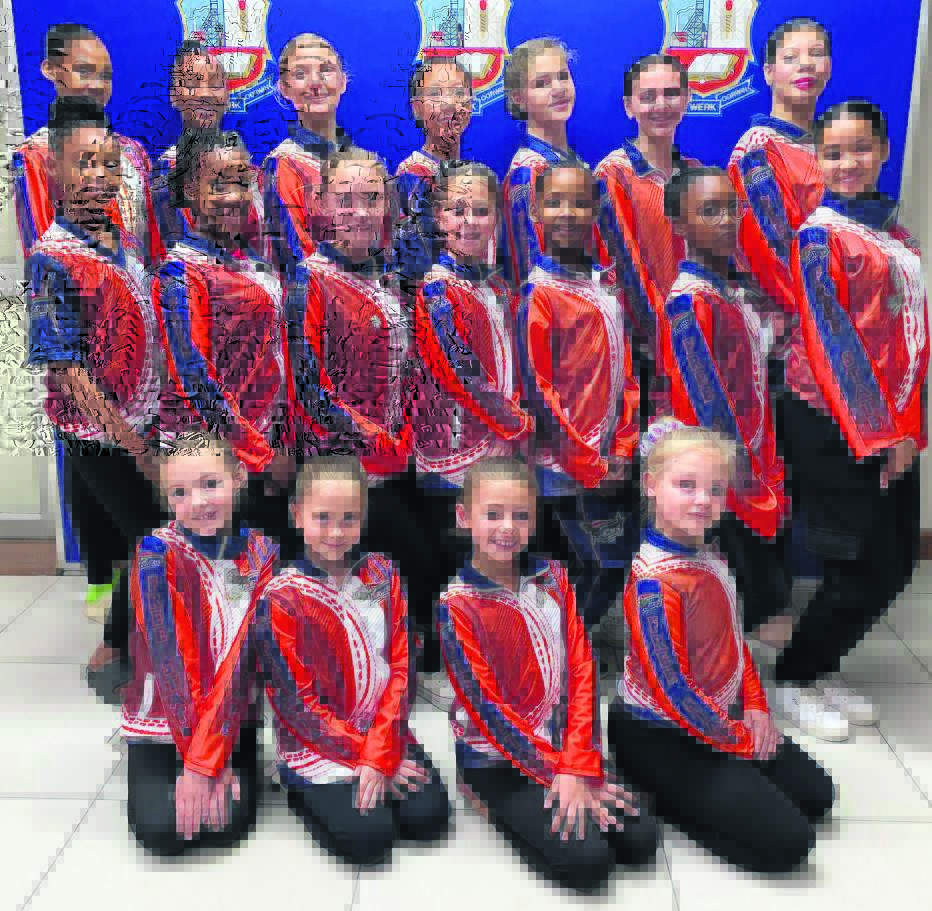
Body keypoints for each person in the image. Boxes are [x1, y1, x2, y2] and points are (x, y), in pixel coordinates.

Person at [609, 420, 836, 874]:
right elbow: (673, 690)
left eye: (714, 489)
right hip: (658, 732)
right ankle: (658, 789)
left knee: (817, 796)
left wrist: (756, 708)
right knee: (789, 844)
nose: (702, 500)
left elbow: (734, 642)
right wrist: (740, 740)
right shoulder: (655, 583)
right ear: (651, 485)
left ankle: (710, 784)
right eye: (686, 485)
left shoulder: (709, 554)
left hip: (713, 715)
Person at [774, 100, 928, 735]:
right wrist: (882, 434)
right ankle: (793, 678)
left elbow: (910, 336)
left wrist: (909, 427)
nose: (847, 163)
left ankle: (821, 664)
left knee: (896, 561)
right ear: (818, 159)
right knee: (858, 565)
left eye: (860, 148)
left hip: (893, 422)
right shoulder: (819, 236)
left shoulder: (894, 232)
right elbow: (832, 341)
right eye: (833, 152)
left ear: (883, 151)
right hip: (832, 421)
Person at [437, 457, 659, 893]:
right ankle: (483, 797)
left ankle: (561, 786)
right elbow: (490, 712)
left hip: (562, 742)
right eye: (493, 514)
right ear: (465, 517)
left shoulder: (552, 577)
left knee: (641, 840)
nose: (507, 527)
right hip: (499, 757)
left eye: (520, 515)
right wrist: (564, 771)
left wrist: (579, 762)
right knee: (590, 865)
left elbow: (581, 669)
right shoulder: (457, 605)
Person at [24, 96, 164, 699]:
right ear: (55, 169)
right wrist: (135, 445)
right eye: (84, 163)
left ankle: (127, 639)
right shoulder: (52, 258)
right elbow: (68, 372)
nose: (99, 175)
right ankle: (122, 649)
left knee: (135, 542)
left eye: (109, 164)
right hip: (99, 436)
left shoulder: (122, 239)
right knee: (150, 535)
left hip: (144, 419)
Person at [254, 457, 451, 866]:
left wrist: (382, 749)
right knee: (370, 839)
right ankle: (296, 785)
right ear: (297, 515)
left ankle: (374, 769)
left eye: (348, 518)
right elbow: (296, 704)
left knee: (428, 819)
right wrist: (368, 756)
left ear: (364, 517)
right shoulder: (282, 596)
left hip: (382, 729)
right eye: (322, 518)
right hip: (317, 740)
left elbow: (401, 668)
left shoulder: (382, 573)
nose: (335, 532)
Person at [283, 147, 434, 653]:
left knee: (413, 573)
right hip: (340, 468)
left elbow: (409, 366)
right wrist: (373, 437)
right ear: (321, 205)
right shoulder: (309, 279)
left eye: (371, 199)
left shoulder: (390, 274)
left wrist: (406, 431)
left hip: (394, 459)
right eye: (345, 199)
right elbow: (309, 387)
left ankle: (389, 657)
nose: (359, 212)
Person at [120, 433, 278, 856]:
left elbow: (245, 659)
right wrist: (200, 763)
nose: (198, 502)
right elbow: (171, 663)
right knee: (162, 831)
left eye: (211, 484)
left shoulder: (262, 553)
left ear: (238, 476)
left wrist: (211, 757)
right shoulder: (155, 555)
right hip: (164, 714)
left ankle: (226, 761)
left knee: (225, 826)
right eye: (180, 492)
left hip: (230, 715)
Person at [413, 160, 533, 694]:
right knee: (455, 564)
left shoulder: (499, 284)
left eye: (480, 211)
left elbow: (514, 360)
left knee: (491, 557)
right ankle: (451, 665)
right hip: (456, 451)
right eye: (456, 210)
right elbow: (461, 371)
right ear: (439, 217)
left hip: (498, 446)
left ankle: (490, 655)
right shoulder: (436, 291)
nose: (468, 222)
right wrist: (515, 423)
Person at [660, 167, 792, 641]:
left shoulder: (728, 290)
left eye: (731, 208)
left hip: (751, 453)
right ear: (680, 223)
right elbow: (706, 397)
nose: (725, 220)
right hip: (721, 467)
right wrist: (737, 473)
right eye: (709, 210)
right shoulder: (689, 301)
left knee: (751, 592)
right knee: (740, 590)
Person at [153, 130, 294, 554]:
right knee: (220, 575)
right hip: (214, 461)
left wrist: (282, 440)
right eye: (218, 184)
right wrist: (262, 456)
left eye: (240, 181)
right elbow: (195, 379)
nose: (233, 196)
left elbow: (274, 355)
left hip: (263, 447)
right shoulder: (180, 272)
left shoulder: (252, 260)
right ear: (189, 191)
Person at [516, 163, 639, 630]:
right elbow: (539, 392)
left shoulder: (605, 283)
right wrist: (589, 465)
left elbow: (625, 373)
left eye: (580, 202)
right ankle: (559, 654)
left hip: (608, 461)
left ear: (595, 209)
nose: (568, 212)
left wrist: (623, 446)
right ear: (536, 211)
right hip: (565, 468)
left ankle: (572, 648)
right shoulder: (539, 294)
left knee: (613, 564)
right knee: (587, 568)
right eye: (555, 202)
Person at [595, 54, 698, 420]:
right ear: (629, 106)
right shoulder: (613, 176)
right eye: (648, 96)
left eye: (671, 93)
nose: (661, 105)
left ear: (687, 99)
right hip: (644, 352)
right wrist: (668, 342)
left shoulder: (697, 174)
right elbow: (625, 272)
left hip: (696, 341)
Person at [12, 23, 160, 263]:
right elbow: (40, 256)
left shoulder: (133, 152)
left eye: (105, 76)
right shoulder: (34, 155)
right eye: (84, 71)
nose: (98, 85)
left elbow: (152, 247)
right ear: (50, 70)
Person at [728, 18, 832, 326]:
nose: (806, 64)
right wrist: (827, 321)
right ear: (769, 72)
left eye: (816, 53)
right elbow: (772, 256)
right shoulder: (759, 148)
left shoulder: (835, 148)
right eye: (790, 57)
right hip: (791, 327)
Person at [151, 41, 264, 255]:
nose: (205, 93)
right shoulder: (165, 173)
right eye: (192, 83)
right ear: (174, 95)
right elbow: (176, 256)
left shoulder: (254, 175)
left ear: (227, 97)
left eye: (215, 84)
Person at [263, 33, 353, 277]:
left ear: (343, 81)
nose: (315, 82)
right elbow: (296, 263)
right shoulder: (283, 164)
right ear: (284, 88)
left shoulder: (361, 161)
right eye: (300, 73)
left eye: (326, 70)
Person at [502, 38, 586, 291]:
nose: (558, 89)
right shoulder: (528, 173)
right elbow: (532, 276)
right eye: (542, 83)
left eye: (563, 76)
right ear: (519, 98)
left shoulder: (573, 163)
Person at [394, 57, 474, 297]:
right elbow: (417, 268)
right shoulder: (413, 175)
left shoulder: (475, 177)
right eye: (436, 94)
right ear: (417, 107)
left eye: (458, 93)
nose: (449, 104)